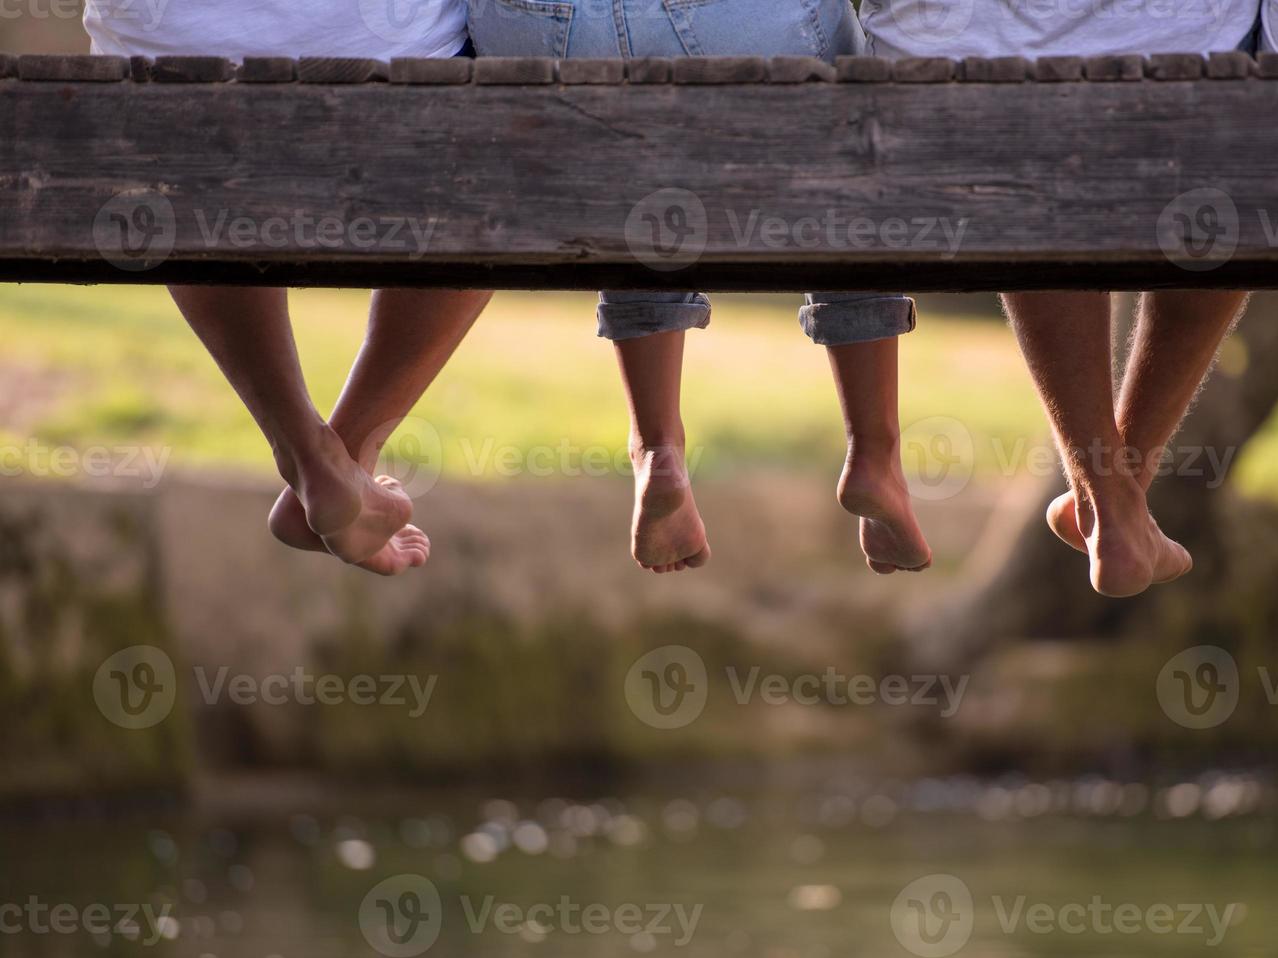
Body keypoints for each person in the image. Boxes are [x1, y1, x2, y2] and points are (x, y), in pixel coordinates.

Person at [470, 0, 932, 576]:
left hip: (536, 25)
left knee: (636, 159)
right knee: (850, 135)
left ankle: (658, 448)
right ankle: (874, 451)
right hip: (731, 19)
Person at [864, 0, 1261, 597]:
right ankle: (1113, 499)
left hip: (945, 70)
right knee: (1234, 160)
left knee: (1030, 82)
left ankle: (1108, 500)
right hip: (1189, 61)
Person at [84, 1, 492, 575]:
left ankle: (308, 453)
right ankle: (344, 455)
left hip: (155, 71)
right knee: (495, 152)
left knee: (181, 112)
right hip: (395, 63)